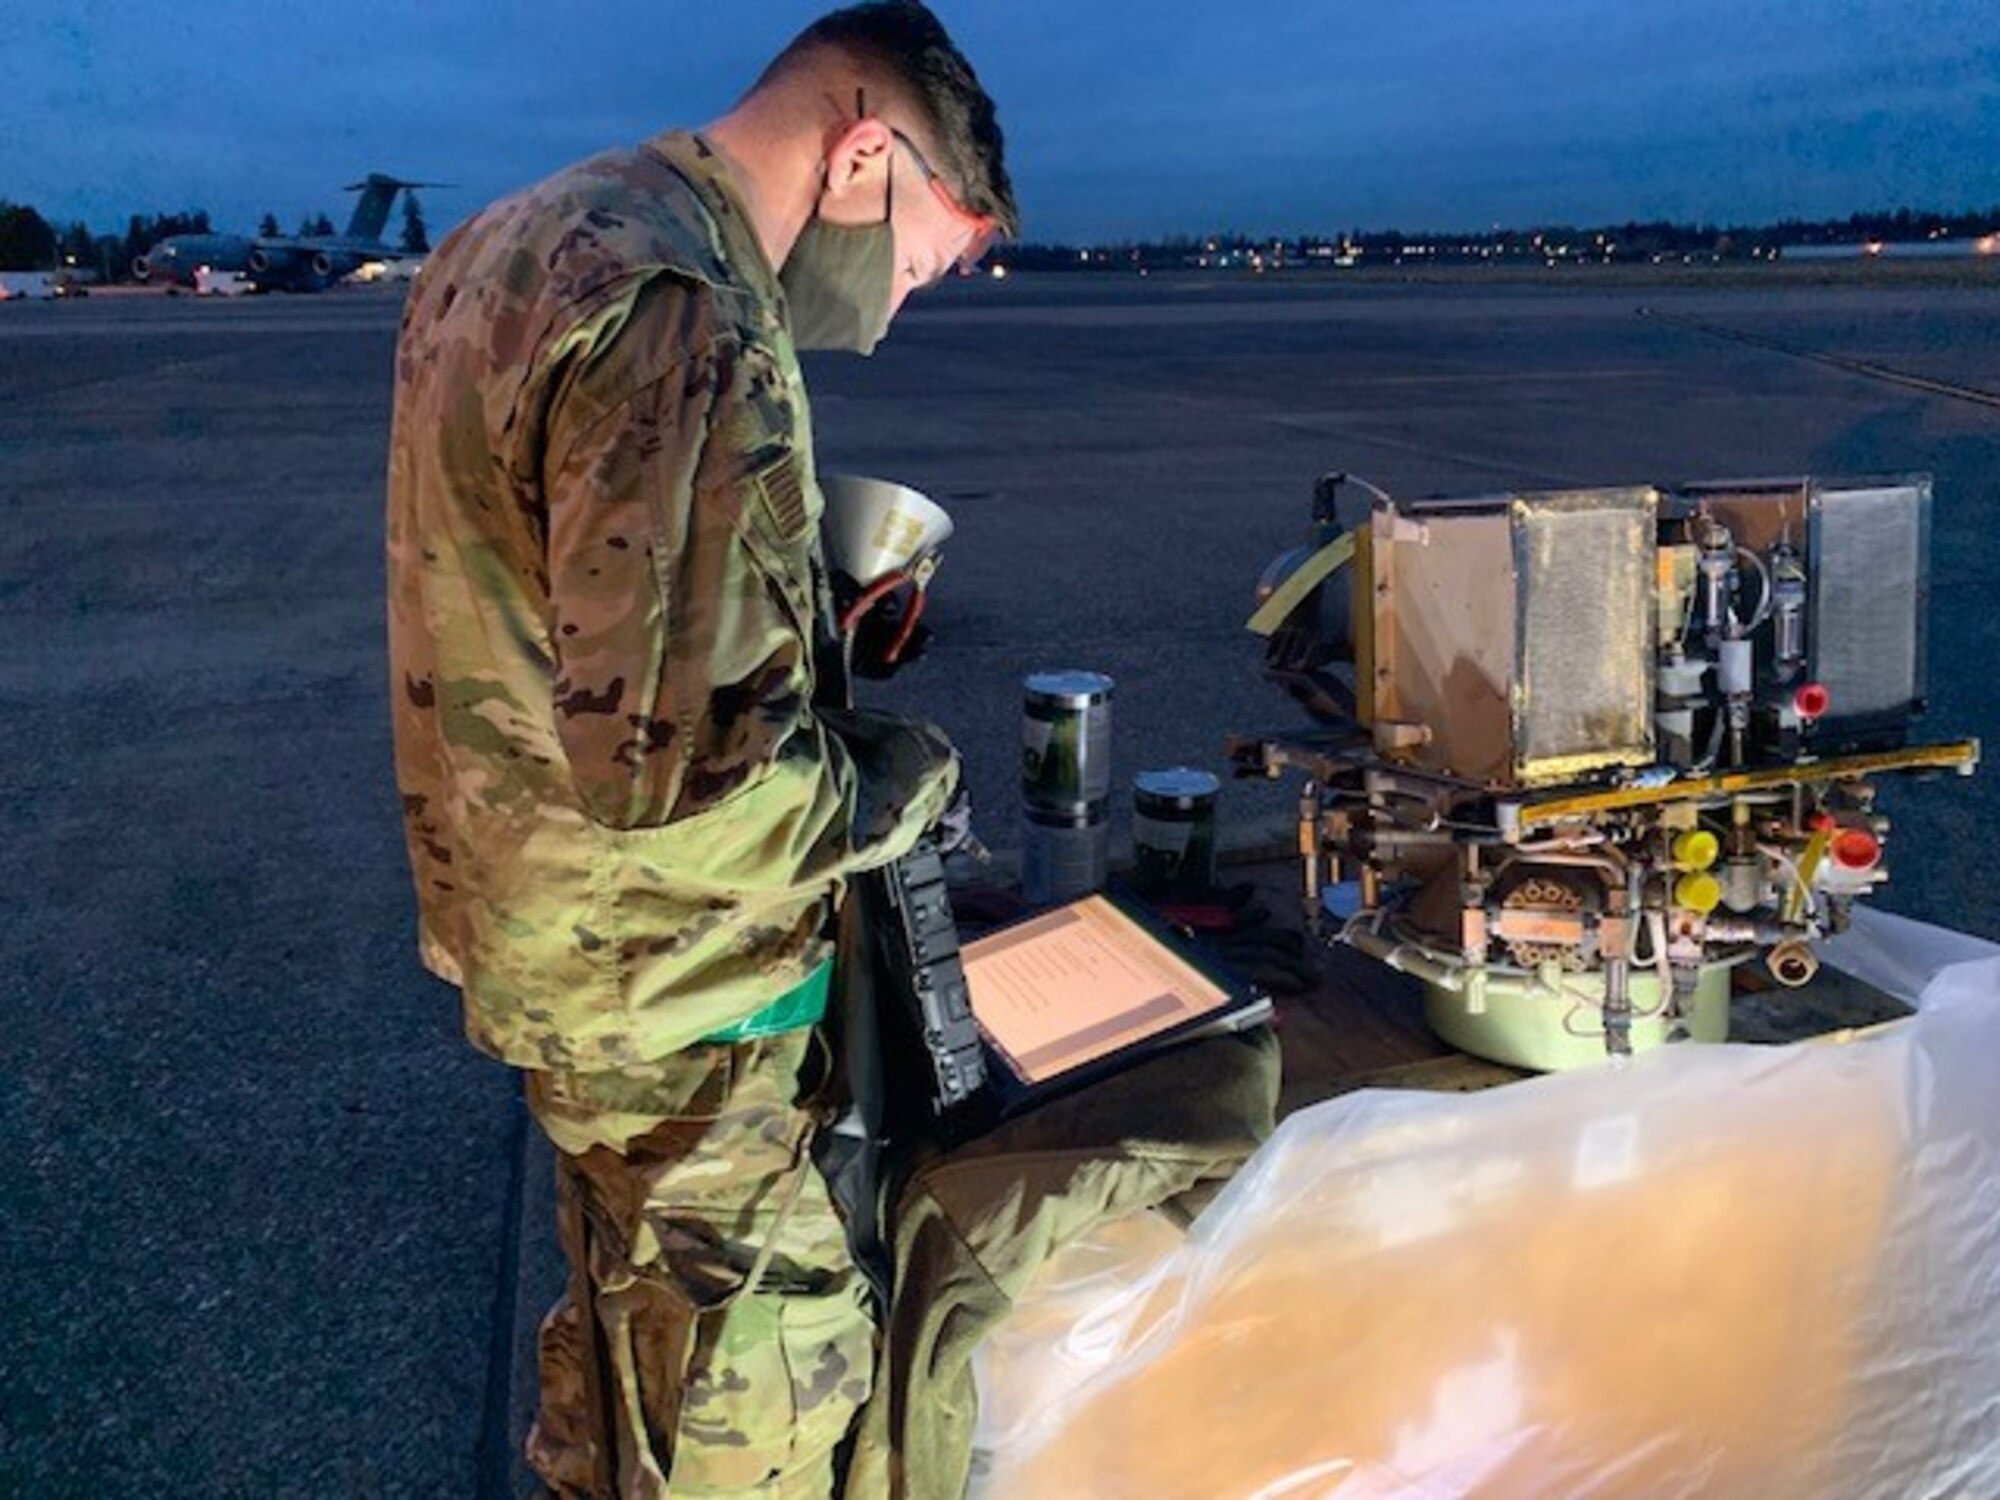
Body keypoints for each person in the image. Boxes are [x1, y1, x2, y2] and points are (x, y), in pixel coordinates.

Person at [384, 5, 1016, 1494]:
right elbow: (690, 793)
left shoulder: (511, 243)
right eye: (916, 266)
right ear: (865, 151)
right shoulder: (686, 312)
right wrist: (895, 774)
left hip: (561, 964)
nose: (890, 310)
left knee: (625, 1367)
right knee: (759, 1402)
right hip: (685, 998)